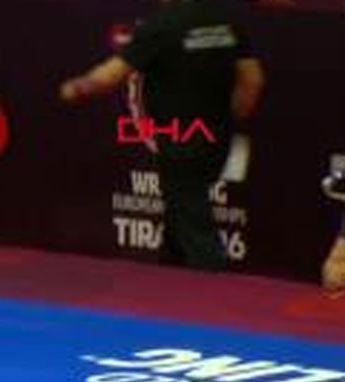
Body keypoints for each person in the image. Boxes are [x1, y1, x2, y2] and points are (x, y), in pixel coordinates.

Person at [59, 0, 265, 271]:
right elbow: (253, 80)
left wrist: (75, 89)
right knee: (181, 211)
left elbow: (109, 77)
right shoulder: (225, 22)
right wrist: (231, 117)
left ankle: (213, 282)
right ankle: (171, 277)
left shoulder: (161, 26)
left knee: (195, 227)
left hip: (180, 139)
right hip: (217, 139)